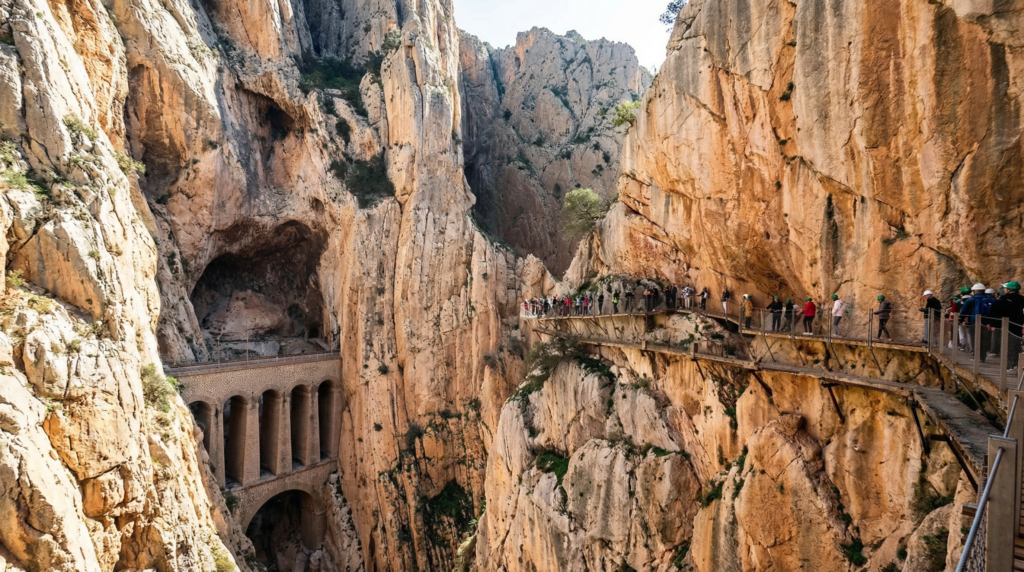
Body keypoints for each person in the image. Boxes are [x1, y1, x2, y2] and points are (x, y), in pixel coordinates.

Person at [959, 284, 994, 359]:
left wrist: (960, 319)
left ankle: (975, 354)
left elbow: (963, 311)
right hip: (987, 322)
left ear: (975, 291)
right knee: (985, 339)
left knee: (974, 338)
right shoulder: (991, 299)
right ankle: (983, 355)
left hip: (973, 321)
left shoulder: (970, 300)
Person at [1001, 281, 1024, 371]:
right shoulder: (1022, 299)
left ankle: (1010, 364)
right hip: (1018, 324)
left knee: (1007, 344)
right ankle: (1015, 363)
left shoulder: (1004, 299)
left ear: (1009, 289)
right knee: (1016, 343)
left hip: (1006, 324)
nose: (1004, 290)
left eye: (1005, 288)